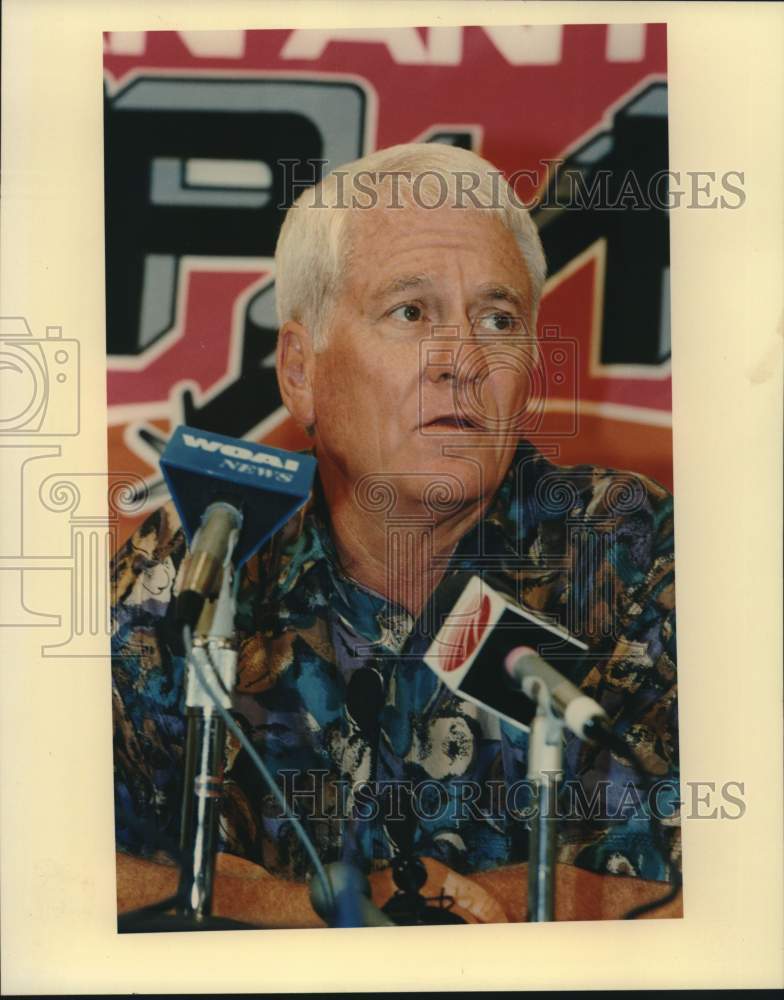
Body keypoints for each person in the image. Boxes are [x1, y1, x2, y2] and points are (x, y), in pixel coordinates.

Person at [112, 142, 680, 927]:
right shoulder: (210, 554)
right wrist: (306, 913)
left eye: (498, 318)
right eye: (411, 312)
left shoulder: (626, 549)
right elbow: (53, 864)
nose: (462, 360)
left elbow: (732, 873)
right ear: (300, 370)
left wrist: (501, 912)